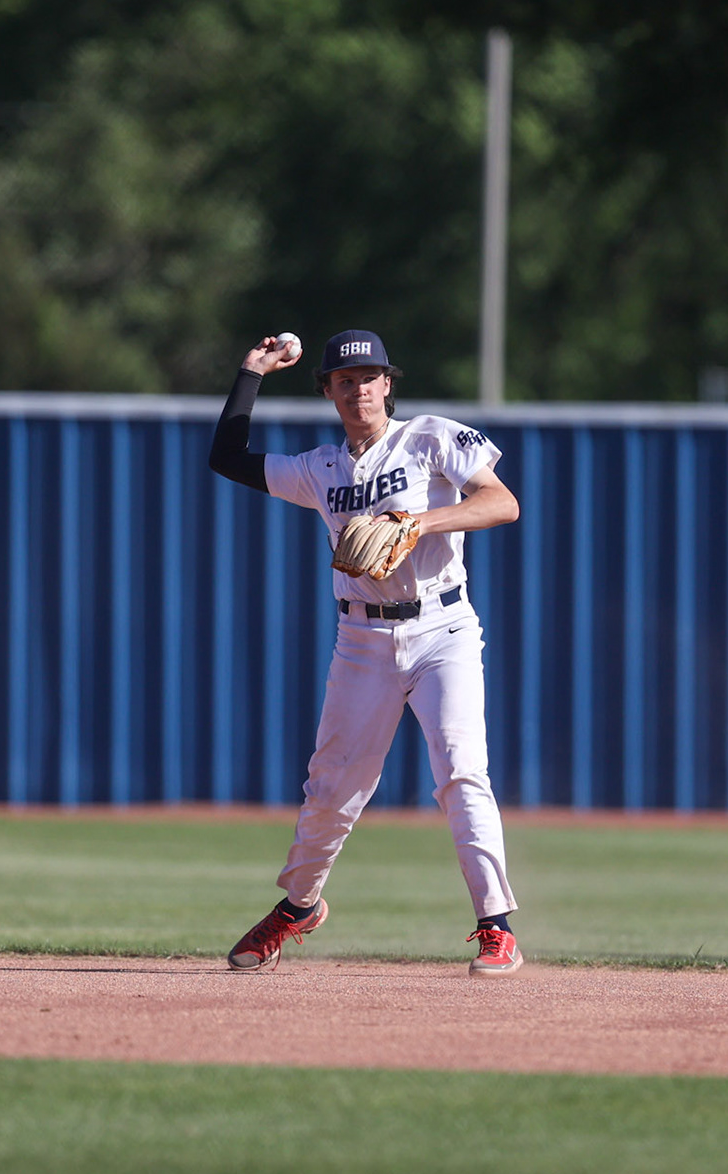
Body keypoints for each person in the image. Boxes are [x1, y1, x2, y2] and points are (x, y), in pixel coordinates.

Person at [207, 329, 525, 976]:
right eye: (345, 381)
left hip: (443, 631)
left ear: (388, 384)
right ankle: (299, 906)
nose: (361, 390)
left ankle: (496, 925)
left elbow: (502, 503)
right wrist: (251, 372)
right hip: (362, 640)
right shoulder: (318, 469)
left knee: (462, 771)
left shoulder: (432, 437)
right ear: (328, 391)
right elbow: (227, 457)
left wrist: (418, 523)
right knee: (332, 788)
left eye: (372, 377)